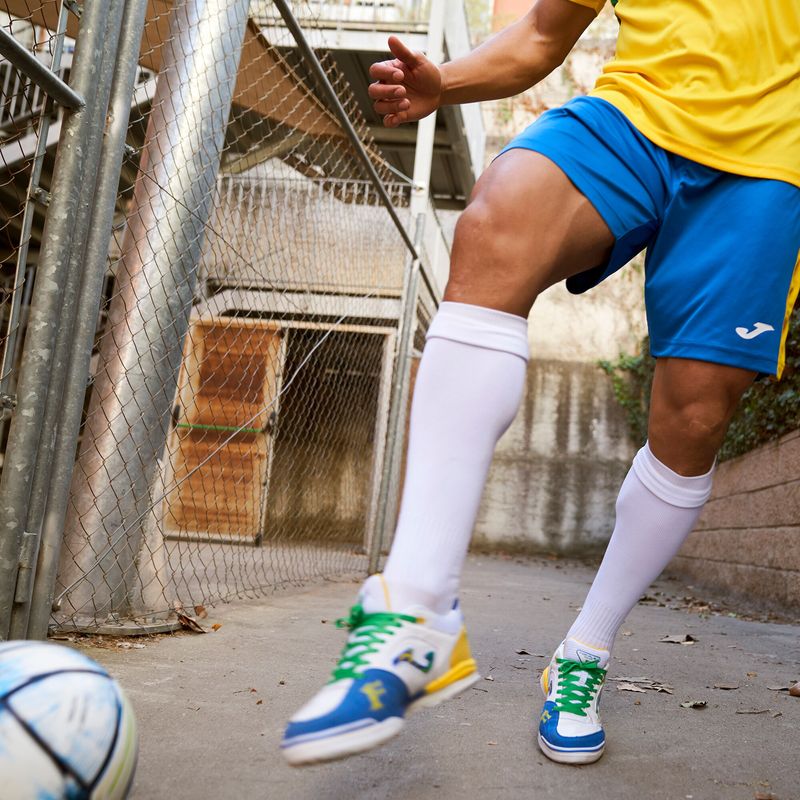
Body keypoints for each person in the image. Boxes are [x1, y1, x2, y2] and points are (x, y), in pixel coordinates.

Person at [281, 0, 800, 767]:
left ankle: (585, 650)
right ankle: (417, 610)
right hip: (635, 116)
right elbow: (541, 34)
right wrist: (444, 82)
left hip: (769, 164)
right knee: (496, 223)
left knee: (694, 417)